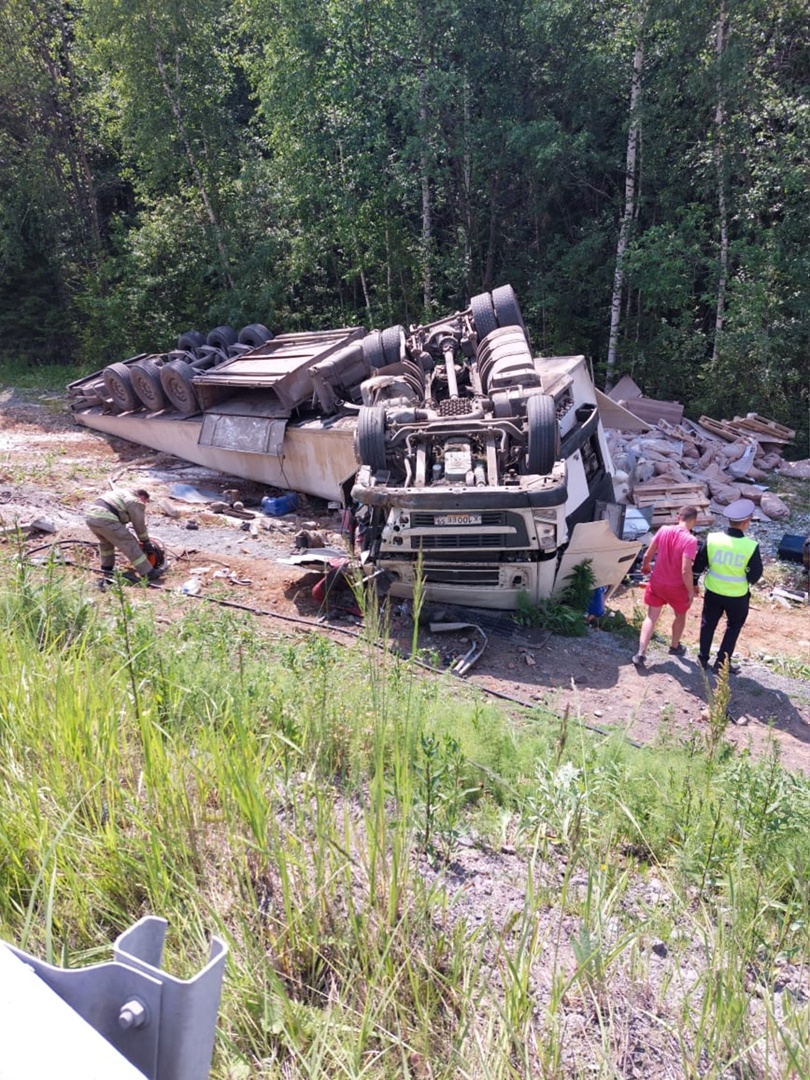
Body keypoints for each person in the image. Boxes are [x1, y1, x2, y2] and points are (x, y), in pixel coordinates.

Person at [693, 497, 762, 675]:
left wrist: (694, 582)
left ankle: (702, 658)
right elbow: (755, 574)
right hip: (737, 596)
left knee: (708, 624)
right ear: (746, 523)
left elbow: (699, 564)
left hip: (713, 592)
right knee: (733, 627)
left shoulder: (712, 539)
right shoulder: (750, 546)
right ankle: (722, 663)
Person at [632, 504, 699, 668]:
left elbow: (648, 553)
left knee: (651, 617)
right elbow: (685, 570)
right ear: (694, 521)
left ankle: (640, 653)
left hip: (657, 582)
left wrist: (646, 566)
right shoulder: (691, 540)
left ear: (679, 517)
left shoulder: (663, 530)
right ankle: (674, 646)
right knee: (680, 615)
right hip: (677, 587)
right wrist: (691, 591)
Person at [85, 487, 161, 583]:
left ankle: (106, 567)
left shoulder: (121, 493)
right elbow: (139, 525)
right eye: (146, 501)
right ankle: (148, 572)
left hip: (90, 516)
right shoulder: (135, 501)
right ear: (143, 497)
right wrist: (145, 541)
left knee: (106, 542)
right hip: (105, 517)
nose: (144, 505)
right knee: (130, 543)